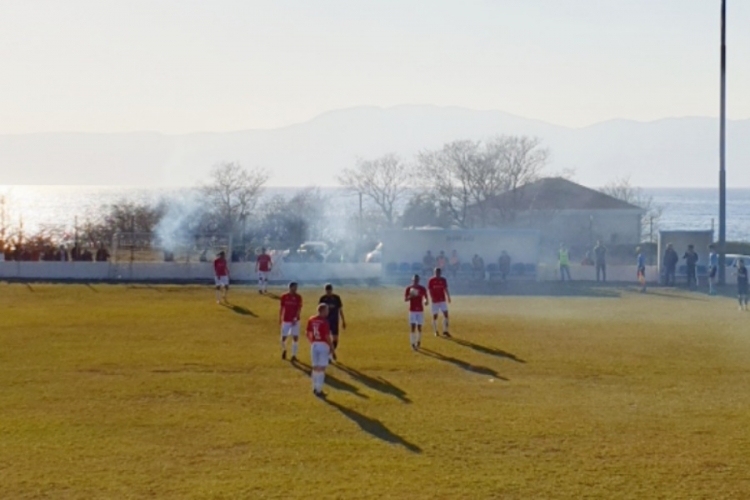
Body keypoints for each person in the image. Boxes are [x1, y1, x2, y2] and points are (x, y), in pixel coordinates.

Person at [306, 303, 336, 397]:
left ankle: (314, 387)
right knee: (321, 368)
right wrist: (332, 348)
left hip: (314, 344)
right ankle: (319, 390)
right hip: (323, 345)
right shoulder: (324, 322)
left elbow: (308, 332)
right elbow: (327, 336)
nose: (328, 312)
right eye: (327, 310)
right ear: (322, 311)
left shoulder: (311, 319)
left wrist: (312, 342)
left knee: (315, 367)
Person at [319, 283, 346, 356]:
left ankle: (330, 353)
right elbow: (319, 311)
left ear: (332, 290)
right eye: (327, 291)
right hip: (325, 321)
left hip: (334, 321)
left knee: (335, 339)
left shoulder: (336, 298)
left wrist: (343, 321)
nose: (328, 292)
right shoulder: (322, 299)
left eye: (329, 290)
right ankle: (328, 356)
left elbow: (340, 310)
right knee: (326, 339)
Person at [404, 274, 429, 351]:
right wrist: (411, 296)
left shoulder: (422, 288)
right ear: (412, 280)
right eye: (414, 280)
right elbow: (405, 299)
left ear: (419, 280)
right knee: (413, 327)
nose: (416, 281)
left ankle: (418, 341)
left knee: (419, 327)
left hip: (420, 310)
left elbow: (426, 298)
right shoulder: (409, 288)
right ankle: (412, 343)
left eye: (417, 280)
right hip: (412, 310)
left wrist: (426, 302)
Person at [279, 282, 303, 361]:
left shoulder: (298, 297)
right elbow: (282, 307)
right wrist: (280, 317)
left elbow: (299, 308)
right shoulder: (284, 296)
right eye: (294, 287)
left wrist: (295, 318)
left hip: (295, 320)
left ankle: (294, 355)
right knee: (283, 337)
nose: (296, 289)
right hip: (286, 319)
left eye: (296, 287)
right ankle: (284, 350)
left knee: (295, 337)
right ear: (290, 287)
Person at [428, 268, 452, 338]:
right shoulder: (431, 280)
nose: (437, 274)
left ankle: (445, 331)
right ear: (434, 272)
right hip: (435, 301)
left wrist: (448, 296)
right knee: (435, 316)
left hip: (442, 300)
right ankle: (435, 331)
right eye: (436, 272)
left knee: (446, 314)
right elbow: (430, 290)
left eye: (438, 272)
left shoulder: (443, 280)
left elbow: (445, 289)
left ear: (440, 273)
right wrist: (432, 298)